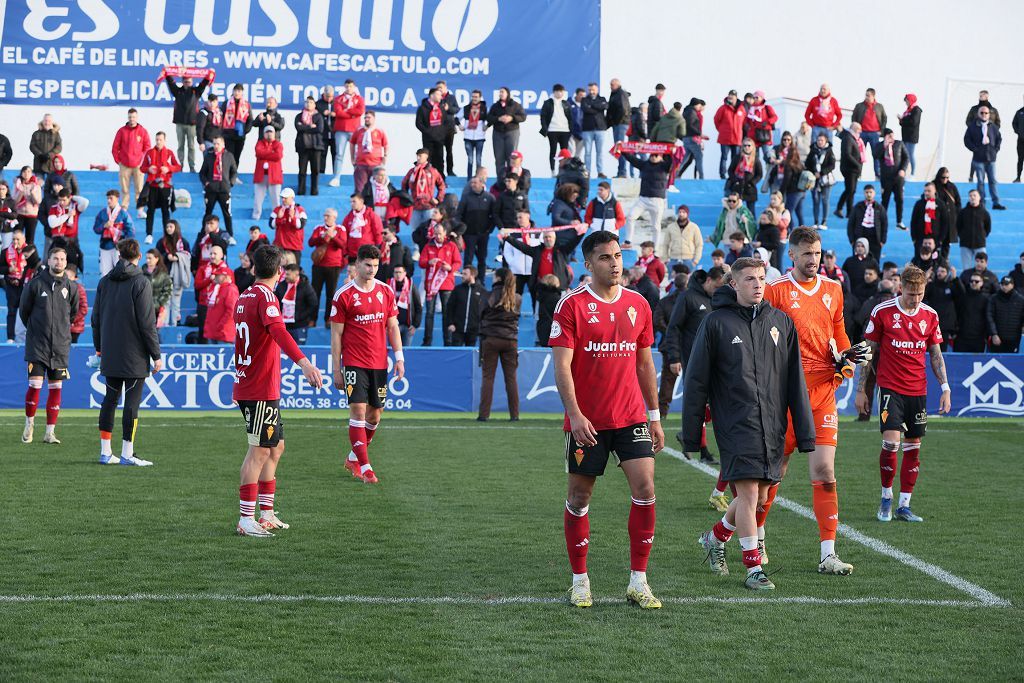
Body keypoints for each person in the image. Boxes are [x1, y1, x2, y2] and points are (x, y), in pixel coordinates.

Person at [549, 230, 664, 609]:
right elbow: (562, 368)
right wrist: (576, 414)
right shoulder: (571, 306)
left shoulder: (638, 304)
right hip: (589, 422)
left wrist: (655, 416)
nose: (615, 263)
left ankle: (639, 581)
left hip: (631, 416)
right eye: (605, 258)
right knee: (579, 497)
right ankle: (580, 580)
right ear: (588, 264)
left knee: (646, 490)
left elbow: (645, 363)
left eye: (617, 256)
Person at [689, 257, 814, 590]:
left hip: (771, 424)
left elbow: (794, 381)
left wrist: (804, 431)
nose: (758, 284)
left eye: (761, 278)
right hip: (734, 422)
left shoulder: (781, 323)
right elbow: (697, 379)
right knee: (746, 495)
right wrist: (691, 433)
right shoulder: (716, 323)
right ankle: (753, 568)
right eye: (749, 279)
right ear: (733, 284)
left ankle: (715, 538)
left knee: (758, 498)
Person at [762, 226, 867, 575]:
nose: (813, 260)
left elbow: (838, 332)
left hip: (823, 394)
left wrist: (847, 355)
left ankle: (828, 554)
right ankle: (756, 538)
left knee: (825, 472)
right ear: (791, 255)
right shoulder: (775, 291)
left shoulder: (834, 290)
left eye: (818, 254)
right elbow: (760, 338)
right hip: (784, 398)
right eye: (806, 254)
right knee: (772, 475)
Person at [232, 245, 323, 536]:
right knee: (259, 450)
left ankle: (267, 513)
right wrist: (304, 363)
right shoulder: (266, 297)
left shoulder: (244, 295)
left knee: (275, 447)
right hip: (258, 386)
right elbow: (279, 331)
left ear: (254, 268)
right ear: (280, 272)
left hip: (257, 384)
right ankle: (247, 519)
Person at [857, 265, 950, 523]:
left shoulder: (930, 316)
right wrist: (862, 390)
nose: (916, 299)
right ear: (901, 288)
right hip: (890, 388)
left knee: (913, 448)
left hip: (917, 390)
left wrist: (945, 388)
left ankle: (904, 505)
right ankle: (886, 497)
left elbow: (935, 355)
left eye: (920, 294)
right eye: (911, 294)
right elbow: (869, 351)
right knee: (891, 443)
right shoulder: (883, 312)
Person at [330, 244, 404, 484]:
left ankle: (354, 456)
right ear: (357, 265)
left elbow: (393, 326)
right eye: (367, 265)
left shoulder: (385, 292)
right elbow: (336, 336)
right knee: (358, 410)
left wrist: (399, 357)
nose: (372, 269)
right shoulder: (344, 295)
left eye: (375, 265)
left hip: (379, 363)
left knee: (375, 416)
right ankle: (366, 467)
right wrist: (336, 369)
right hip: (354, 362)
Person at [91, 238, 162, 466]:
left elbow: (95, 319)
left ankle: (105, 452)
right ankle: (127, 454)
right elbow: (147, 323)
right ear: (138, 256)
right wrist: (156, 354)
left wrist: (100, 348)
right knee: (131, 403)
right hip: (134, 354)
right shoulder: (141, 282)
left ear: (119, 255)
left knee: (109, 400)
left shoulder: (104, 282)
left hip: (111, 351)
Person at [664, 266, 726, 464]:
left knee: (710, 403)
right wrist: (674, 357)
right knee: (701, 402)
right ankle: (703, 449)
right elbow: (673, 328)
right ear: (709, 280)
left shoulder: (715, 300)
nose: (718, 291)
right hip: (692, 361)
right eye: (717, 286)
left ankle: (689, 434)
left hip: (715, 360)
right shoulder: (687, 297)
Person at [18, 245, 76, 444]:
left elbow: (73, 313)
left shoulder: (71, 287)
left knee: (56, 388)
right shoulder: (35, 285)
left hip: (59, 347)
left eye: (62, 259)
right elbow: (24, 312)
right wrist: (37, 330)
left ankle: (50, 432)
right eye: (55, 258)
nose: (58, 262)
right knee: (35, 386)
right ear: (48, 260)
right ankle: (29, 424)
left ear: (65, 262)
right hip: (37, 345)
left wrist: (60, 331)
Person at [477, 268, 521, 421]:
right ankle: (515, 415)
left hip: (491, 339)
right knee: (511, 379)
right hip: (511, 340)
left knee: (488, 377)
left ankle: (484, 415)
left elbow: (480, 315)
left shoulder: (488, 295)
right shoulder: (517, 298)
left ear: (497, 278)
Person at [419, 221, 462, 346]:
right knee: (429, 313)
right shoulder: (428, 246)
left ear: (445, 233)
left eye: (440, 234)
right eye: (436, 234)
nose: (438, 236)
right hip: (431, 284)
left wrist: (450, 268)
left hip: (446, 283)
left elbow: (458, 262)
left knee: (447, 314)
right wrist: (429, 262)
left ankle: (447, 341)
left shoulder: (451, 246)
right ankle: (427, 341)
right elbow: (421, 262)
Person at [621, 150, 672, 248]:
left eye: (656, 155)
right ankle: (628, 242)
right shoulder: (644, 165)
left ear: (661, 157)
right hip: (643, 200)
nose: (653, 157)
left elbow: (671, 159)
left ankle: (655, 248)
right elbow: (632, 159)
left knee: (656, 226)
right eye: (652, 155)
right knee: (630, 217)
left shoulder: (664, 166)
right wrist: (623, 151)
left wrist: (669, 152)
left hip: (657, 201)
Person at [164, 71, 211, 173]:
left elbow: (203, 84)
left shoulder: (196, 92)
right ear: (183, 82)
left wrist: (208, 77)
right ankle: (180, 165)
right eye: (185, 82)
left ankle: (192, 166)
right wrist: (167, 74)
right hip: (180, 123)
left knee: (191, 146)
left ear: (192, 82)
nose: (187, 83)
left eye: (189, 82)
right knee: (180, 145)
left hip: (192, 124)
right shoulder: (178, 91)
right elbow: (171, 83)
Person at [140, 132, 182, 242]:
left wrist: (169, 169)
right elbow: (142, 168)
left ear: (164, 140)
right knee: (150, 211)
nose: (158, 142)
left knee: (165, 211)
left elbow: (178, 167)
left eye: (160, 140)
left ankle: (167, 235)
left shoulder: (169, 153)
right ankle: (149, 234)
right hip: (153, 185)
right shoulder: (149, 153)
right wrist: (148, 169)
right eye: (157, 139)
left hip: (165, 186)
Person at [308, 208, 347, 326]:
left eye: (328, 216)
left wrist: (333, 237)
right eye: (325, 215)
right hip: (318, 265)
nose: (325, 218)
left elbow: (343, 245)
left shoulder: (341, 229)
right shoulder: (318, 228)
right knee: (315, 292)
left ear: (334, 217)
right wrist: (322, 237)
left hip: (334, 265)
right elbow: (310, 242)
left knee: (331, 293)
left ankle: (328, 319)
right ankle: (312, 319)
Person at [964, 105, 1006, 210]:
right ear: (978, 114)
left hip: (991, 159)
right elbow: (967, 139)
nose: (984, 115)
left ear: (989, 114)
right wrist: (975, 149)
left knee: (992, 181)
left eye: (986, 113)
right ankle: (981, 202)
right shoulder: (973, 126)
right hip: (978, 159)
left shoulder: (993, 126)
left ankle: (996, 202)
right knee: (981, 182)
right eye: (982, 113)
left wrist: (995, 150)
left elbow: (999, 139)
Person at [111, 109, 151, 215]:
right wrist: (118, 161)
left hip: (138, 166)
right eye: (130, 117)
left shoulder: (142, 131)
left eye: (133, 117)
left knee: (139, 188)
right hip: (124, 165)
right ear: (127, 117)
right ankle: (124, 208)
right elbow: (115, 147)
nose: (132, 119)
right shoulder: (121, 131)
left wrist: (143, 160)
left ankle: (140, 209)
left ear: (137, 118)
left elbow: (147, 147)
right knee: (124, 188)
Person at [199, 137, 238, 241]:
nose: (216, 146)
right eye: (214, 143)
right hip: (211, 190)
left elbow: (234, 171)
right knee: (208, 213)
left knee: (227, 214)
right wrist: (206, 183)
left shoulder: (229, 156)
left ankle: (230, 235)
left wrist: (231, 183)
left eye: (218, 144)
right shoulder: (208, 156)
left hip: (224, 190)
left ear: (223, 144)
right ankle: (203, 234)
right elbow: (202, 173)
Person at [456, 175, 495, 275]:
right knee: (468, 259)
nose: (472, 185)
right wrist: (460, 232)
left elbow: (494, 215)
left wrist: (489, 230)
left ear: (482, 184)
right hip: (469, 234)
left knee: (482, 259)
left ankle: (481, 283)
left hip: (483, 234)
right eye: (471, 183)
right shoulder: (466, 197)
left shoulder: (489, 198)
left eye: (475, 183)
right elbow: (458, 215)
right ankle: (466, 280)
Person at [156, 220, 191, 326]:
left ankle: (175, 322)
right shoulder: (161, 242)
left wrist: (178, 257)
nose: (169, 229)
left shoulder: (183, 242)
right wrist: (167, 257)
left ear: (176, 227)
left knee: (176, 301)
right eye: (167, 227)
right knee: (165, 301)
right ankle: (164, 323)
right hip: (165, 275)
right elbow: (157, 256)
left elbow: (188, 256)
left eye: (171, 227)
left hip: (178, 275)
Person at [402, 149, 446, 231]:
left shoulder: (433, 171)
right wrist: (407, 200)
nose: (418, 158)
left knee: (430, 231)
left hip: (429, 206)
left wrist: (438, 199)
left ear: (426, 157)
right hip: (415, 207)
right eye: (417, 156)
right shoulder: (412, 171)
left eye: (420, 156)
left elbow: (442, 185)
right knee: (415, 233)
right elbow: (404, 185)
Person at [93, 190, 134, 276]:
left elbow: (130, 231)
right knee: (105, 272)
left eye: (111, 198)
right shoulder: (102, 213)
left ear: (117, 199)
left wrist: (123, 242)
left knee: (120, 271)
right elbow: (96, 229)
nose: (109, 201)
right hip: (105, 246)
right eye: (107, 198)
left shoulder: (123, 214)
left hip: (119, 248)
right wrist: (104, 226)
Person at [274, 263, 317, 344]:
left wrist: (302, 317)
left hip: (300, 325)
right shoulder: (281, 285)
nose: (285, 276)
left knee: (299, 350)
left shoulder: (305, 286)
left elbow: (313, 303)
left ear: (296, 274)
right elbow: (276, 301)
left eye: (288, 274)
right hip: (284, 326)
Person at [875, 129, 909, 229]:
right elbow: (876, 155)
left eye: (892, 135)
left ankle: (899, 221)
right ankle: (882, 221)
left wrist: (903, 169)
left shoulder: (899, 144)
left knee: (899, 199)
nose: (891, 138)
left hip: (898, 177)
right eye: (889, 136)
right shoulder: (880, 145)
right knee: (885, 199)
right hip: (886, 177)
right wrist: (884, 145)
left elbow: (906, 157)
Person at [487, 87, 527, 171]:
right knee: (499, 158)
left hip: (512, 132)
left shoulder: (515, 105)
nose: (501, 94)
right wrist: (498, 118)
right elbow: (489, 118)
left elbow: (523, 117)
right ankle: (500, 180)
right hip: (498, 133)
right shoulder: (495, 106)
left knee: (512, 157)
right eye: (500, 92)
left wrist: (512, 118)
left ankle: (512, 177)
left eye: (502, 92)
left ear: (507, 93)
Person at [349, 111, 388, 193]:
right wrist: (352, 158)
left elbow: (386, 144)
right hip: (361, 164)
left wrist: (385, 156)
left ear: (374, 119)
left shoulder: (380, 131)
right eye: (365, 117)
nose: (366, 119)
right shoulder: (359, 130)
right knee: (360, 189)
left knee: (375, 189)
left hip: (375, 164)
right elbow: (352, 143)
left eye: (369, 117)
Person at [444, 266, 484, 346]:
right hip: (457, 329)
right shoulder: (457, 289)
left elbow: (485, 311)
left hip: (473, 331)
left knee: (469, 356)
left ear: (472, 275)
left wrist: (480, 327)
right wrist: (450, 323)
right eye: (462, 274)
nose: (462, 276)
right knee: (455, 355)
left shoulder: (481, 291)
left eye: (465, 274)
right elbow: (449, 308)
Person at [852, 88, 887, 176]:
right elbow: (854, 118)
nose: (867, 97)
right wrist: (855, 130)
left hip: (874, 134)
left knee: (876, 155)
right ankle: (858, 173)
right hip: (862, 133)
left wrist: (881, 131)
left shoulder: (879, 106)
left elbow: (884, 118)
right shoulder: (859, 106)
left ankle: (877, 174)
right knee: (859, 154)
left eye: (869, 95)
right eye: (866, 95)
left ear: (873, 96)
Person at [341, 192, 384, 264]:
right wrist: (345, 252)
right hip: (352, 253)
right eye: (351, 202)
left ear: (361, 201)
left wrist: (376, 249)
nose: (352, 204)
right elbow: (344, 236)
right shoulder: (349, 217)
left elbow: (378, 232)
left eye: (354, 201)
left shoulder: (371, 215)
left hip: (368, 253)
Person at [294, 96, 325, 196]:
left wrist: (305, 128)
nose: (308, 104)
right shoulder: (299, 116)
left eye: (311, 102)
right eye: (307, 102)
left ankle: (314, 191)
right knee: (302, 171)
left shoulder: (318, 116)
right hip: (303, 147)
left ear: (314, 105)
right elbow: (298, 127)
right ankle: (301, 191)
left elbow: (319, 129)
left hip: (316, 147)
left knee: (315, 171)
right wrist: (310, 126)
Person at [252, 126, 284, 220]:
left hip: (274, 176)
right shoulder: (259, 143)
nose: (269, 134)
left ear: (274, 134)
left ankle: (277, 218)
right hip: (261, 176)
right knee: (258, 199)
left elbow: (278, 155)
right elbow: (258, 153)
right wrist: (271, 152)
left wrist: (265, 153)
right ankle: (255, 217)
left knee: (276, 200)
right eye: (267, 132)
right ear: (264, 134)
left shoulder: (278, 144)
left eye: (271, 132)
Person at [416, 87, 450, 176]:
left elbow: (446, 122)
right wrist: (428, 132)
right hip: (428, 138)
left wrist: (442, 133)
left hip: (439, 138)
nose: (441, 97)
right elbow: (419, 123)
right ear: (432, 95)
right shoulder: (423, 108)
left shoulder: (441, 108)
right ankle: (427, 178)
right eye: (438, 95)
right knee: (428, 159)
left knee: (440, 160)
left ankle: (440, 179)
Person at [805, 133, 836, 228]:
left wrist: (822, 172)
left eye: (822, 140)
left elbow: (832, 165)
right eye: (818, 140)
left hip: (826, 180)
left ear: (825, 141)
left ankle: (824, 221)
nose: (820, 142)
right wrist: (814, 172)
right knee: (816, 200)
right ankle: (816, 221)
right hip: (814, 180)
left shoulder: (829, 151)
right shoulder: (812, 151)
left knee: (825, 200)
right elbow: (807, 164)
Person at [220, 84, 253, 172]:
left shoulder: (246, 105)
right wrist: (222, 132)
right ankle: (227, 174)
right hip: (228, 135)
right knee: (228, 156)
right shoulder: (226, 103)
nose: (237, 93)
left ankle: (233, 175)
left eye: (239, 91)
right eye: (235, 91)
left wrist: (245, 131)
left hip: (240, 136)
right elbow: (220, 117)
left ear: (242, 93)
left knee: (237, 156)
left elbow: (250, 120)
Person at [834, 123, 865, 219]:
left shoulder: (854, 139)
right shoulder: (848, 138)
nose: (860, 131)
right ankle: (843, 209)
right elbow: (847, 154)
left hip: (854, 169)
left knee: (851, 190)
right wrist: (857, 164)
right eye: (859, 129)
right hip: (849, 168)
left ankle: (845, 210)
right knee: (850, 190)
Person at [986, 276, 1024, 353]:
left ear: (1012, 285)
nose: (1004, 286)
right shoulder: (993, 298)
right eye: (1002, 284)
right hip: (997, 339)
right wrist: (994, 334)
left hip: (1014, 339)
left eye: (1006, 284)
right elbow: (989, 316)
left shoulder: (1021, 300)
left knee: (1011, 363)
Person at [270, 188, 307, 265]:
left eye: (285, 198)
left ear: (292, 198)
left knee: (293, 271)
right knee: (279, 272)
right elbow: (271, 225)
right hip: (280, 247)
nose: (283, 200)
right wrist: (279, 218)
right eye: (282, 197)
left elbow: (300, 225)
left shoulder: (300, 210)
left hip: (294, 247)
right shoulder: (277, 209)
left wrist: (293, 217)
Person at [540, 85, 572, 174]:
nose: (560, 93)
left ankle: (564, 171)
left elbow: (570, 118)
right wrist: (545, 128)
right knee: (553, 151)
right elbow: (543, 117)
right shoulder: (548, 103)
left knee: (565, 152)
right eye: (558, 91)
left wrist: (571, 129)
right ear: (554, 92)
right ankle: (553, 170)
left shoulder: (566, 103)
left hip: (565, 130)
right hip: (552, 130)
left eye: (562, 91)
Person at [714, 90, 746, 180]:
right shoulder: (723, 108)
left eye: (733, 95)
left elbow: (744, 122)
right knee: (724, 156)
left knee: (735, 158)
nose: (731, 97)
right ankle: (722, 175)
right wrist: (721, 130)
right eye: (730, 95)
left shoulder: (742, 109)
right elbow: (716, 120)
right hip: (725, 138)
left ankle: (734, 174)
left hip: (737, 138)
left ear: (736, 97)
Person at [658, 205, 702, 270]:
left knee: (688, 280)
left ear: (687, 214)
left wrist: (695, 261)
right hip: (674, 259)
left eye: (683, 212)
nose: (681, 214)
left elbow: (699, 244)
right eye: (679, 212)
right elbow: (665, 244)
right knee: (672, 280)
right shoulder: (671, 227)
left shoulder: (694, 227)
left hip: (688, 260)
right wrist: (665, 260)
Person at [579, 83, 609, 179]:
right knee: (587, 152)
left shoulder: (602, 99)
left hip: (600, 129)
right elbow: (585, 109)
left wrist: (592, 105)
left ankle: (600, 171)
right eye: (590, 90)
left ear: (597, 89)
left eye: (593, 89)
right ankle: (587, 172)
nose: (592, 92)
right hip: (587, 129)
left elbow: (605, 107)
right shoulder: (584, 99)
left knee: (599, 152)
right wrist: (597, 107)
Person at [910, 183, 949, 255]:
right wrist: (914, 239)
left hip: (935, 239)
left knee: (935, 262)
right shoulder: (919, 204)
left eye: (929, 191)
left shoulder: (941, 204)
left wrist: (941, 240)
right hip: (920, 239)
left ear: (934, 190)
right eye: (925, 191)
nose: (926, 193)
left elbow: (945, 223)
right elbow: (913, 221)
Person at [726, 139, 763, 216]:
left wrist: (752, 182)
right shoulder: (737, 158)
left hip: (750, 189)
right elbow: (730, 171)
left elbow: (759, 174)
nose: (747, 147)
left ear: (752, 147)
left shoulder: (755, 159)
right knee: (736, 212)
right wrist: (735, 181)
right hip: (738, 188)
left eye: (749, 145)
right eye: (745, 145)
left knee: (751, 212)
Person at [957, 189, 991, 270]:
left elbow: (988, 228)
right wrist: (963, 236)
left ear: (979, 197)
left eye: (974, 195)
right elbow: (958, 226)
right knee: (966, 268)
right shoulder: (963, 212)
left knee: (982, 268)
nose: (972, 197)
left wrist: (981, 237)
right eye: (970, 196)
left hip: (980, 244)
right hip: (965, 244)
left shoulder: (984, 213)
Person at [202, 269, 238, 343]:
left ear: (226, 277)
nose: (215, 276)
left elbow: (231, 311)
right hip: (214, 332)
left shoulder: (230, 289)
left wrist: (221, 325)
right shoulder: (217, 288)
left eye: (218, 275)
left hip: (223, 333)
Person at [745, 91, 778, 165]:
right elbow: (746, 120)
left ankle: (769, 174)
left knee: (767, 156)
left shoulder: (767, 108)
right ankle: (756, 175)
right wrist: (746, 125)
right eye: (754, 97)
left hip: (764, 136)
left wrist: (767, 122)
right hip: (753, 137)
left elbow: (775, 117)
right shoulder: (750, 109)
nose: (755, 99)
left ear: (762, 98)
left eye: (757, 97)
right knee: (754, 158)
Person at [607, 79, 632, 178]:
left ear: (618, 85)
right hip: (618, 124)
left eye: (613, 84)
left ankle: (622, 171)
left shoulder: (621, 94)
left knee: (619, 147)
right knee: (618, 148)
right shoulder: (615, 94)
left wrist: (615, 122)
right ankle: (621, 171)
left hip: (620, 124)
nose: (611, 86)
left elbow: (623, 109)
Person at [143, 248, 172, 326]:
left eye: (150, 258)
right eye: (146, 258)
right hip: (143, 309)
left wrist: (159, 304)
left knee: (155, 334)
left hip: (157, 310)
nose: (147, 260)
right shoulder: (140, 274)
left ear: (157, 259)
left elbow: (168, 291)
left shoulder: (164, 275)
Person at [898, 94, 922, 176]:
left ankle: (912, 174)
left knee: (910, 155)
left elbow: (914, 122)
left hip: (912, 136)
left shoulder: (916, 110)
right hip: (905, 136)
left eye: (907, 101)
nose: (906, 103)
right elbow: (903, 122)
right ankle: (903, 172)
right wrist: (901, 120)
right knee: (904, 154)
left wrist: (903, 121)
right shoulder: (907, 111)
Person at [1014, 95, 1024, 183]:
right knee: (1020, 159)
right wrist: (1019, 132)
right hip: (1021, 140)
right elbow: (1014, 123)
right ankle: (1018, 177)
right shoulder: (1020, 112)